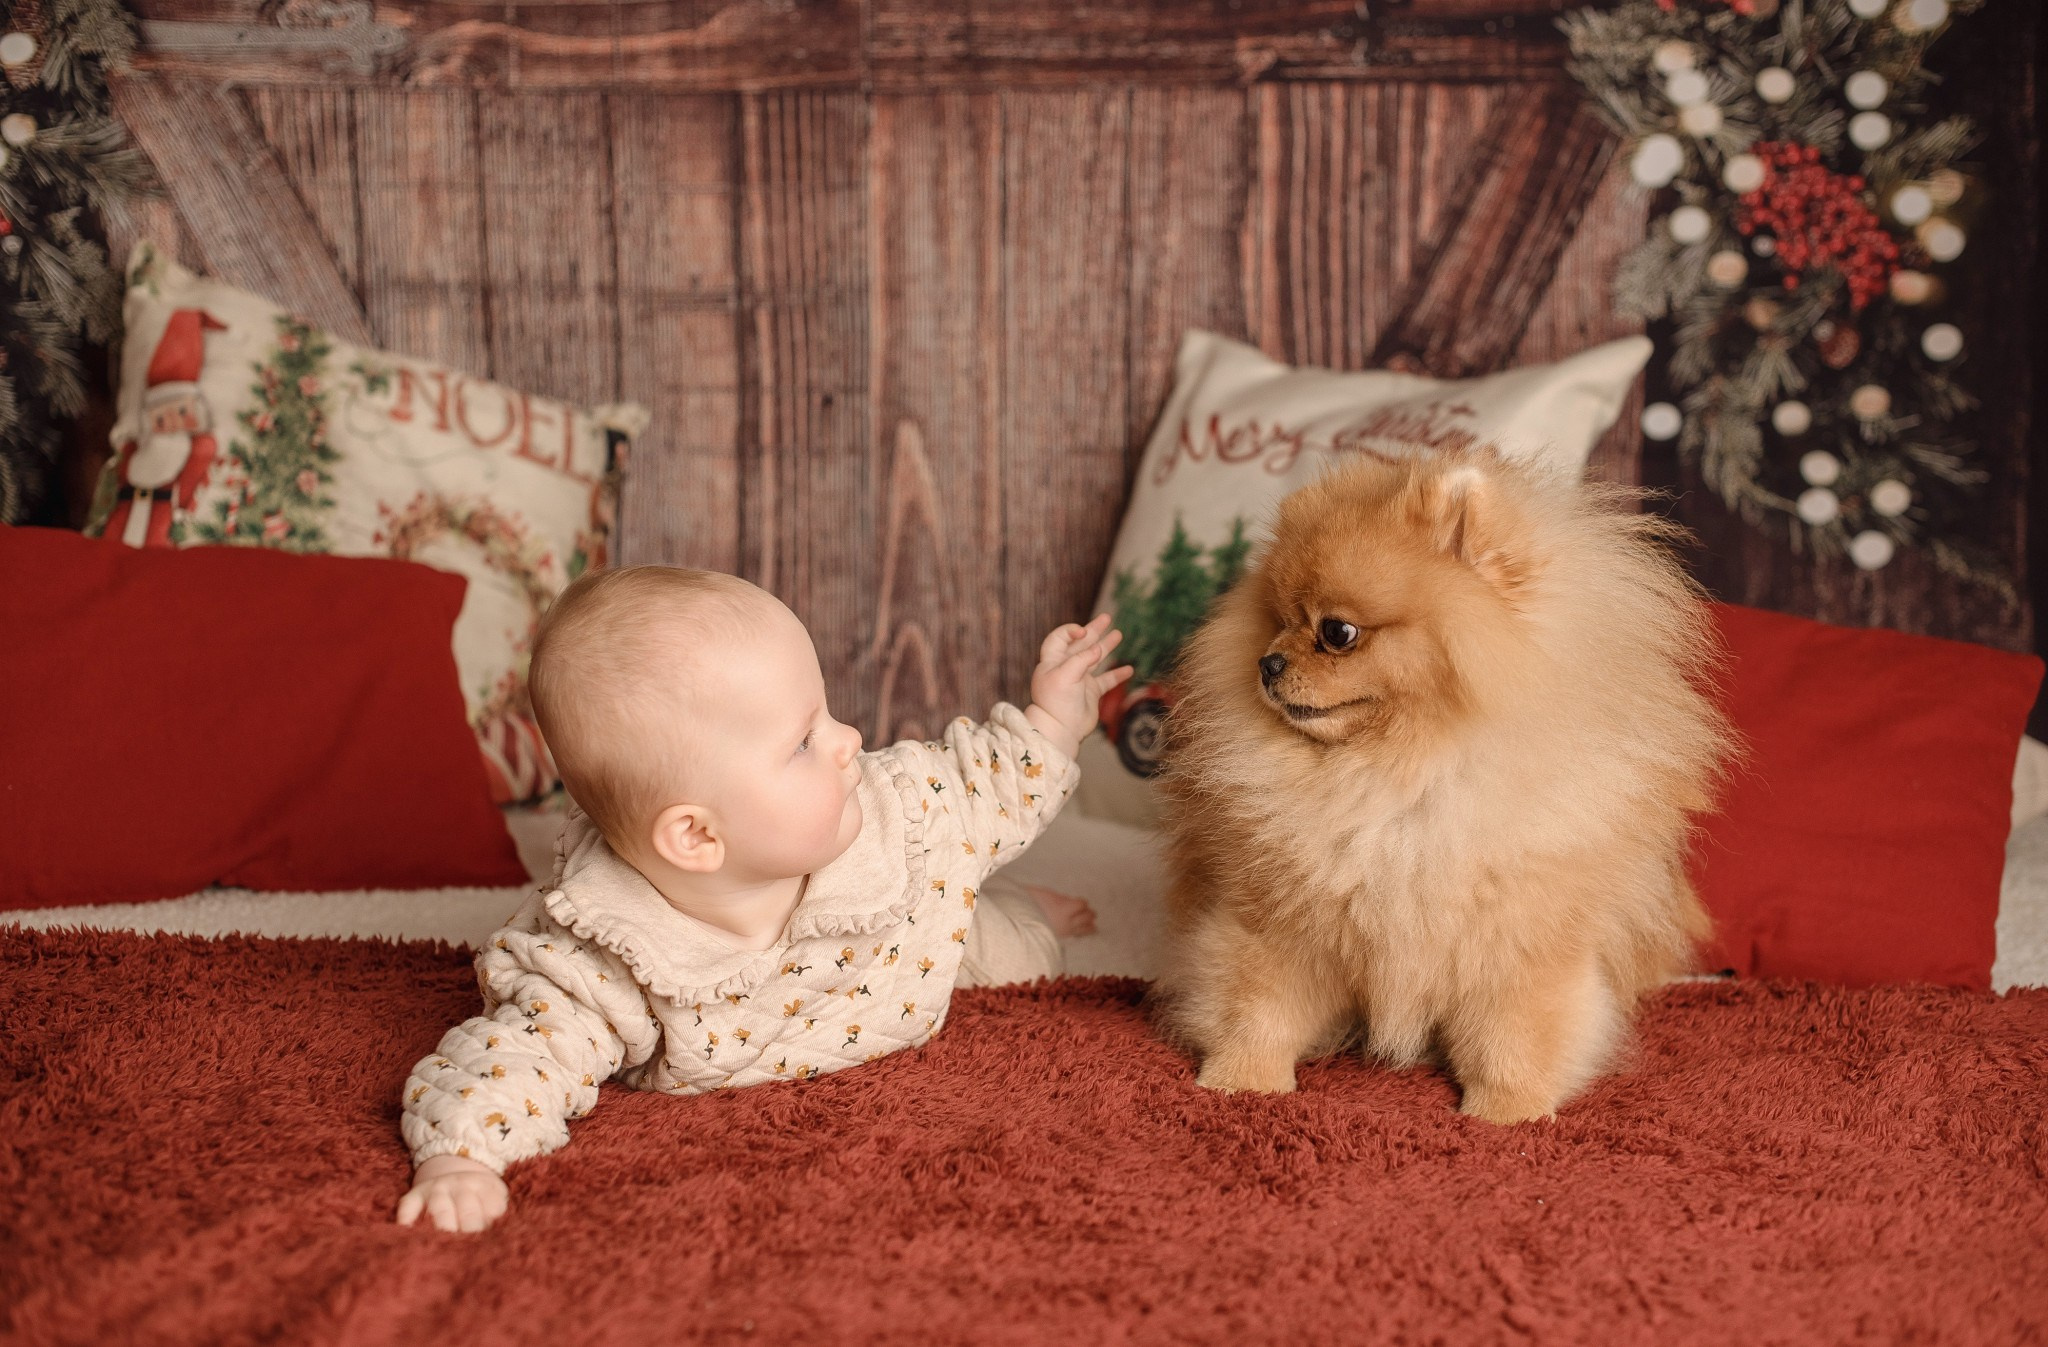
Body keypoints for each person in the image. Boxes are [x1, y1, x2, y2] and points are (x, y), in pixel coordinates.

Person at [395, 566, 1130, 1233]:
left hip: (916, 945)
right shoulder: (613, 950)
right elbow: (520, 1054)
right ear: (697, 835)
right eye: (803, 741)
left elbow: (985, 783)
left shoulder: (895, 808)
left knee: (1021, 952)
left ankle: (1016, 904)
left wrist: (1055, 717)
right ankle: (989, 895)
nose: (850, 739)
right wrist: (461, 1158)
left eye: (826, 713)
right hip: (832, 973)